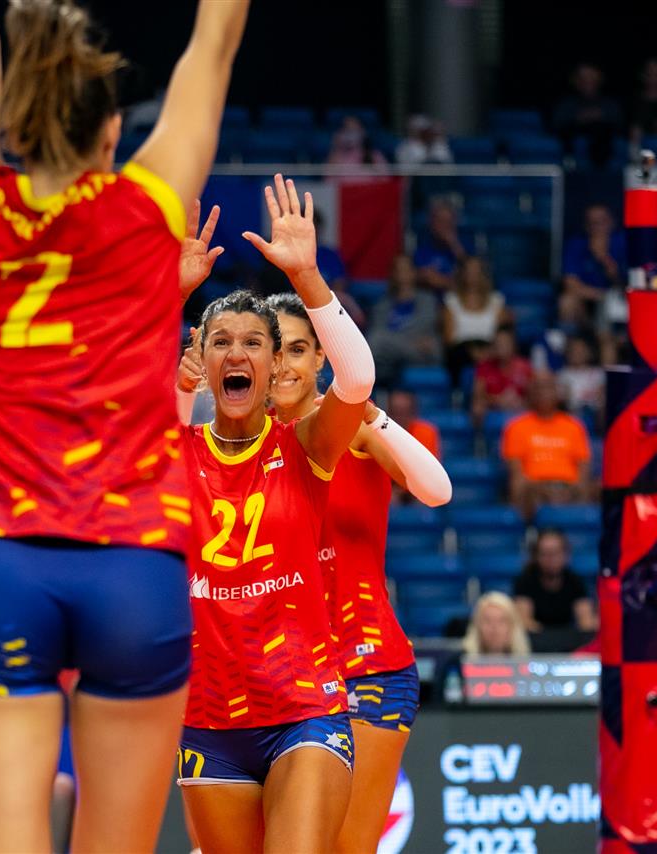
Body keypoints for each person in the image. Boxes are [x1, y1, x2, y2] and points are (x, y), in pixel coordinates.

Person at [0, 0, 249, 850]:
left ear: (13, 126)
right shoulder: (149, 204)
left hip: (0, 558)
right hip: (135, 566)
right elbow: (213, 44)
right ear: (113, 134)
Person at [181, 284, 447, 853]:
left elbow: (436, 490)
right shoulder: (234, 443)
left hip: (359, 665)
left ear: (319, 357)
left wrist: (369, 413)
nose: (286, 367)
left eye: (300, 350)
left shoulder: (336, 431)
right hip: (255, 677)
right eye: (278, 351)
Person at [175, 175, 376, 853]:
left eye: (254, 342)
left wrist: (308, 277)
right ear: (201, 361)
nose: (237, 352)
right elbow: (113, 396)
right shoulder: (172, 452)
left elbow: (357, 380)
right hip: (209, 721)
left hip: (305, 711)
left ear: (273, 367)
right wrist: (167, 295)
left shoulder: (306, 445)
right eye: (220, 341)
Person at [501, 373, 593, 519]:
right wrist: (544, 489)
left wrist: (570, 489)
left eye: (548, 387)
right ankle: (533, 529)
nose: (543, 392)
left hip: (568, 486)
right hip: (534, 487)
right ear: (530, 393)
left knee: (593, 488)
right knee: (526, 490)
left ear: (557, 392)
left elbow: (583, 468)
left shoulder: (574, 426)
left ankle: (578, 528)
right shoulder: (516, 427)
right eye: (538, 388)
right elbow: (516, 472)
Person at [366, 254, 442, 389]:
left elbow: (424, 327)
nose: (402, 274)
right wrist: (406, 341)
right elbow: (377, 335)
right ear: (392, 274)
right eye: (398, 270)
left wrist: (394, 340)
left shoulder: (428, 300)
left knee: (378, 339)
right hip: (398, 352)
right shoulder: (382, 305)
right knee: (376, 340)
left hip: (421, 354)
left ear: (414, 272)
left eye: (406, 269)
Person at [559, 204, 627, 345]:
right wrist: (602, 296)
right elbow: (571, 285)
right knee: (567, 301)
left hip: (619, 302)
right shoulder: (576, 245)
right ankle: (571, 348)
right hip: (590, 303)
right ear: (586, 226)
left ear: (611, 223)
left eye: (602, 222)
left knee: (607, 332)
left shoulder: (622, 243)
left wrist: (603, 258)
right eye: (592, 223)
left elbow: (623, 284)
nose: (597, 227)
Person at [442, 256, 513, 389]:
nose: (472, 275)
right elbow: (449, 339)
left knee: (503, 352)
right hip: (461, 353)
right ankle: (458, 392)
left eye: (476, 270)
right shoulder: (451, 301)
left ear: (483, 274)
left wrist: (488, 353)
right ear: (462, 273)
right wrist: (473, 353)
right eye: (468, 270)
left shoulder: (496, 301)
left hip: (492, 350)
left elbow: (503, 335)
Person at [513, 529, 598, 635]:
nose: (551, 559)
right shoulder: (525, 581)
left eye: (556, 553)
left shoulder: (575, 581)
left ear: (566, 555)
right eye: (545, 553)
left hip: (568, 639)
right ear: (536, 556)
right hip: (535, 640)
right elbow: (524, 622)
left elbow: (586, 622)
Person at [551, 62, 624, 169]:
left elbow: (619, 124)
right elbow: (556, 124)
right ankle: (569, 162)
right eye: (582, 78)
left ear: (599, 79)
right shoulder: (567, 103)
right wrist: (578, 118)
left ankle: (600, 170)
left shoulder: (609, 103)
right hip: (572, 137)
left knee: (602, 130)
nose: (587, 81)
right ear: (575, 81)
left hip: (601, 140)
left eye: (591, 77)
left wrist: (600, 116)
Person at [469, 325, 533, 428]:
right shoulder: (484, 367)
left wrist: (519, 401)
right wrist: (498, 400)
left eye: (505, 343)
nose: (501, 347)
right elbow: (478, 395)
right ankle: (480, 436)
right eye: (498, 343)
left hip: (519, 408)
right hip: (492, 408)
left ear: (513, 345)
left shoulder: (525, 367)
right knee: (477, 407)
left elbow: (533, 395)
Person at [413, 198, 472, 292]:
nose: (444, 226)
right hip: (430, 298)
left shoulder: (467, 248)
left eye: (448, 222)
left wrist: (455, 245)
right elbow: (416, 277)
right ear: (431, 224)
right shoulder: (422, 251)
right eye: (440, 221)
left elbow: (474, 278)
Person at [462, 592, 533, 657]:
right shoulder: (460, 660)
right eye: (487, 621)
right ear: (477, 626)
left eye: (501, 621)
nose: (494, 627)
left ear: (512, 626)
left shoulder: (531, 659)